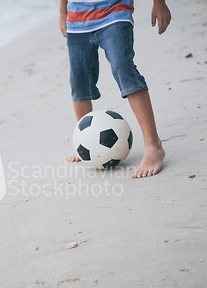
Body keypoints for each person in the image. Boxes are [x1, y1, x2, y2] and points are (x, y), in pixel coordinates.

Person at [60, 0, 171, 178]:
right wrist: (62, 13)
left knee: (123, 68)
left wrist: (159, 3)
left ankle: (153, 145)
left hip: (114, 12)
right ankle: (85, 139)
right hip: (77, 20)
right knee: (78, 81)